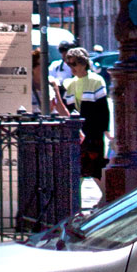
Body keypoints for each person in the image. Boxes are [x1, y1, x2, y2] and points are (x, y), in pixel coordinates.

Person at [54, 45, 110, 185]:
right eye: (69, 64)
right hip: (78, 133)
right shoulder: (70, 84)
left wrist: (106, 130)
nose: (71, 67)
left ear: (83, 63)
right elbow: (67, 108)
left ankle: (106, 198)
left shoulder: (96, 81)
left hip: (93, 132)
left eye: (74, 63)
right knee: (78, 168)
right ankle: (76, 202)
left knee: (95, 168)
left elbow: (103, 108)